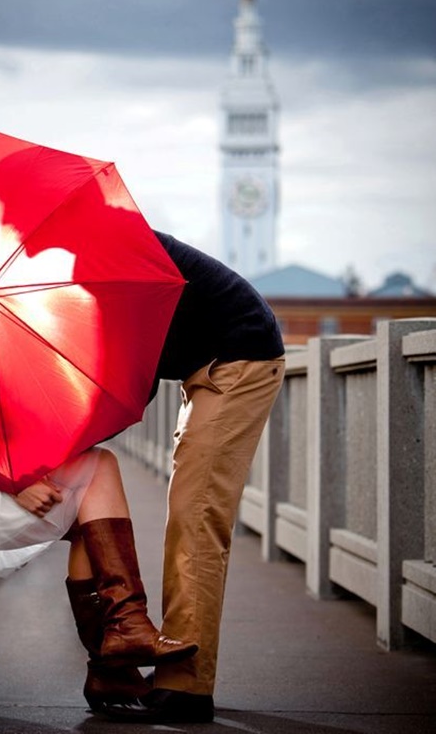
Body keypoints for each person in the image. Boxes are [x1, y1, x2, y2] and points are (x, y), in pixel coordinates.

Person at [100, 231, 286, 724]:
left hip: (239, 362)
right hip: (210, 368)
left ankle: (186, 687)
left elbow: (131, 388)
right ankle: (166, 673)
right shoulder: (101, 253)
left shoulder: (118, 256)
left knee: (197, 521)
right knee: (188, 518)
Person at [0, 444, 198, 707]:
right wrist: (15, 480)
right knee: (99, 469)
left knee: (90, 512)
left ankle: (115, 665)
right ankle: (122, 636)